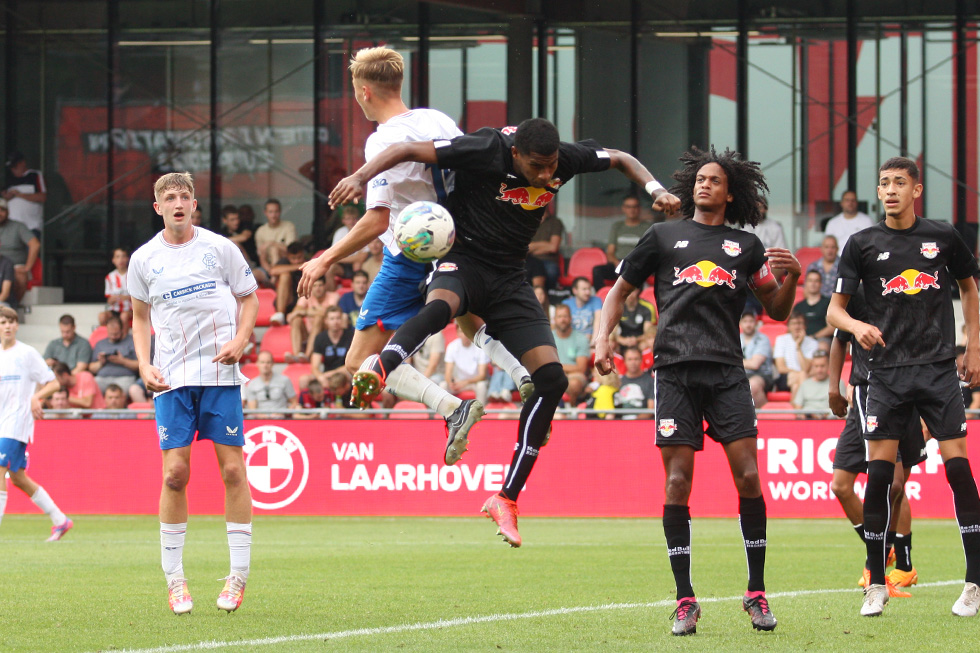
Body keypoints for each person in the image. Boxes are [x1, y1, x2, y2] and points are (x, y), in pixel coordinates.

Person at [328, 114, 681, 547]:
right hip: (464, 260)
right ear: (515, 154)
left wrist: (656, 190)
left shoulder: (562, 159)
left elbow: (621, 158)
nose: (547, 174)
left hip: (511, 277)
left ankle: (506, 498)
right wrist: (360, 176)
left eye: (551, 165)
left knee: (552, 380)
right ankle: (381, 367)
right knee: (443, 307)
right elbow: (405, 150)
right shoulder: (486, 148)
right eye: (537, 166)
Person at [595, 145, 802, 635]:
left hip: (728, 373)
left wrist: (791, 276)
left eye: (714, 180)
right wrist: (602, 338)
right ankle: (685, 599)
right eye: (700, 179)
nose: (705, 185)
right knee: (676, 484)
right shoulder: (663, 236)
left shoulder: (745, 247)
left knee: (749, 478)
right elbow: (620, 291)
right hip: (674, 372)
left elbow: (777, 310)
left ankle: (756, 592)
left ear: (730, 193)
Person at [296, 46, 532, 466]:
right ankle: (524, 377)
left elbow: (375, 220)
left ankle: (452, 408)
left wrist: (324, 259)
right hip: (463, 240)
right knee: (467, 318)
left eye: (354, 92)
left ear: (364, 92)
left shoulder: (382, 141)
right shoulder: (435, 118)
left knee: (358, 362)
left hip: (412, 254)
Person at [826, 155, 980, 618]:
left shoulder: (943, 236)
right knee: (878, 479)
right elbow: (835, 312)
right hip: (885, 375)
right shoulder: (861, 243)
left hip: (936, 369)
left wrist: (972, 346)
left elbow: (970, 289)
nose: (889, 190)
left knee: (959, 472)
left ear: (916, 190)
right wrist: (857, 325)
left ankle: (974, 583)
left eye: (898, 182)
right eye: (883, 183)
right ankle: (877, 583)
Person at [129, 171, 259, 615]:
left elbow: (250, 298)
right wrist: (144, 363)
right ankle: (175, 581)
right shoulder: (144, 259)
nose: (178, 202)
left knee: (234, 473)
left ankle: (238, 577)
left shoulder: (219, 248)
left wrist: (241, 339)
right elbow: (140, 318)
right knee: (174, 474)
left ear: (193, 205)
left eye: (185, 195)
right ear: (158, 207)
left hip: (221, 375)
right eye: (170, 197)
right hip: (171, 378)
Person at [828, 286, 920, 599]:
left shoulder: (904, 293)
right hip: (864, 396)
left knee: (895, 485)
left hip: (902, 394)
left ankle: (882, 562)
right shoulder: (854, 298)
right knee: (841, 485)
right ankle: (880, 552)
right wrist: (834, 389)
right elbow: (839, 340)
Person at [0, 306, 73, 540]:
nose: (7, 326)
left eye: (11, 321)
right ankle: (60, 520)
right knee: (19, 478)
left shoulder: (27, 353)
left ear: (17, 325)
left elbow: (53, 383)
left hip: (17, 421)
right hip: (2, 422)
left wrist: (36, 397)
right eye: (3, 322)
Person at [592, 195, 649, 290]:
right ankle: (602, 297)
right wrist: (616, 263)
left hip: (636, 264)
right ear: (623, 208)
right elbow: (610, 252)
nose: (632, 210)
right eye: (628, 207)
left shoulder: (647, 227)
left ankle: (635, 301)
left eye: (635, 206)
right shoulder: (617, 226)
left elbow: (648, 251)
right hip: (618, 263)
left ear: (639, 209)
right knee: (597, 270)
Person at [89, 314, 143, 401]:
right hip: (102, 379)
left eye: (116, 334)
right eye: (111, 334)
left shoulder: (132, 341)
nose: (113, 336)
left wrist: (122, 361)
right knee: (91, 387)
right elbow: (91, 368)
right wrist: (101, 362)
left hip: (125, 378)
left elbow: (140, 364)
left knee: (118, 394)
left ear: (122, 330)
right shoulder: (100, 344)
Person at [0, 196, 40, 303]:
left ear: (8, 212)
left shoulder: (18, 226)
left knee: (21, 277)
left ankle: (13, 307)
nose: (0, 213)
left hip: (16, 266)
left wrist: (27, 267)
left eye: (2, 210)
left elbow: (35, 244)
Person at [286, 275, 333, 363]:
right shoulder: (306, 296)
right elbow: (292, 315)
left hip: (324, 335)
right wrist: (314, 311)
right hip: (308, 334)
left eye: (320, 285)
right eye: (314, 286)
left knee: (318, 318)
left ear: (325, 286)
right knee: (297, 320)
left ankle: (307, 355)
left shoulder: (333, 296)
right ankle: (296, 355)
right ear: (311, 287)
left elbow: (328, 314)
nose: (317, 288)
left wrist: (305, 312)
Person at [552, 303, 590, 405]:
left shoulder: (580, 338)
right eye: (559, 316)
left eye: (565, 316)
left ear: (570, 318)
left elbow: (581, 368)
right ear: (554, 319)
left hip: (574, 376)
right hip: (553, 374)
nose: (562, 320)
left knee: (574, 384)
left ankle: (572, 412)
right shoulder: (549, 338)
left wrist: (558, 366)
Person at [772, 311, 818, 395]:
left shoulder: (813, 343)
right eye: (793, 323)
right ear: (788, 326)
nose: (797, 327)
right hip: (786, 377)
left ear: (805, 326)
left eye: (800, 323)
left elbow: (805, 368)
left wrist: (798, 346)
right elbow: (781, 368)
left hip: (803, 377)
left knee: (796, 386)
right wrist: (799, 374)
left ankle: (796, 407)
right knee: (801, 376)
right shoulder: (781, 340)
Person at [3, 151, 46, 237]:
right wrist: (7, 197)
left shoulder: (34, 175)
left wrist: (20, 194)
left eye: (15, 166)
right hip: (12, 228)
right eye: (11, 168)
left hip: (30, 227)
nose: (13, 170)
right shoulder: (10, 180)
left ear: (23, 163)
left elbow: (42, 197)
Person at [244, 351, 298, 419]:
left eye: (268, 362)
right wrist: (261, 416)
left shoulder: (284, 380)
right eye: (262, 362)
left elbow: (294, 402)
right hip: (259, 420)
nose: (265, 365)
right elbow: (252, 409)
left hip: (281, 419)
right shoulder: (252, 384)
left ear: (273, 364)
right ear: (257, 364)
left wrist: (284, 413)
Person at [268, 242, 308, 326]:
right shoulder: (284, 261)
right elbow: (273, 271)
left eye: (299, 257)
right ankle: (280, 315)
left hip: (303, 300)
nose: (296, 260)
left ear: (303, 255)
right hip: (287, 300)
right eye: (293, 258)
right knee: (285, 275)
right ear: (287, 256)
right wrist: (299, 266)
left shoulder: (309, 262)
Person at [739, 309, 774, 408]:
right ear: (740, 323)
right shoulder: (736, 338)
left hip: (762, 375)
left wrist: (734, 361)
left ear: (756, 323)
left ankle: (763, 416)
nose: (748, 325)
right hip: (740, 374)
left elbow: (755, 364)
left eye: (751, 321)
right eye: (745, 321)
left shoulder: (763, 339)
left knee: (752, 385)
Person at [254, 198, 297, 277]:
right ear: (265, 213)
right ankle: (273, 277)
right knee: (253, 275)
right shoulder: (260, 231)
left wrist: (271, 243)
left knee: (274, 250)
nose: (273, 215)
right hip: (266, 267)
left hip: (285, 265)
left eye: (276, 212)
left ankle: (274, 278)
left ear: (280, 212)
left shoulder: (288, 226)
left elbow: (291, 251)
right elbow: (261, 256)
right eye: (270, 212)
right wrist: (270, 271)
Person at [443, 331, 489, 404]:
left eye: (466, 331)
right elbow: (448, 373)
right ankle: (445, 413)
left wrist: (466, 382)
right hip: (458, 381)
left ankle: (480, 413)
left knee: (482, 386)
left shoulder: (480, 347)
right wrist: (451, 383)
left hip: (475, 382)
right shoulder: (452, 346)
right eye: (461, 331)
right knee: (443, 385)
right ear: (457, 333)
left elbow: (482, 375)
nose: (465, 335)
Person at [526, 210, 564, 290]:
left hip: (546, 261)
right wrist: (545, 245)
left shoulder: (555, 222)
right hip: (528, 259)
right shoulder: (527, 221)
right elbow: (524, 246)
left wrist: (532, 247)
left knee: (551, 271)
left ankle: (547, 296)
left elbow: (553, 247)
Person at [793, 270, 834, 343]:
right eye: (810, 280)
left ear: (821, 284)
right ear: (805, 283)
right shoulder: (799, 306)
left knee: (822, 346)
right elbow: (792, 327)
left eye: (816, 281)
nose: (813, 284)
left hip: (821, 340)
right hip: (801, 340)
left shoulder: (828, 303)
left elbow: (832, 328)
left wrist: (814, 337)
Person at [790, 349, 834, 417]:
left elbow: (843, 408)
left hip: (829, 420)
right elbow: (798, 407)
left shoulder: (837, 383)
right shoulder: (805, 384)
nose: (819, 370)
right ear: (812, 367)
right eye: (816, 366)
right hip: (807, 420)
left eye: (822, 366)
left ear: (828, 365)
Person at [614, 346, 655, 419]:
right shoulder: (618, 382)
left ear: (641, 360)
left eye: (636, 359)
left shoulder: (651, 381)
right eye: (630, 359)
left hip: (642, 424)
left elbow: (651, 409)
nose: (633, 362)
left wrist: (633, 422)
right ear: (624, 361)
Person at [99, 247, 133, 330]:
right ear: (113, 260)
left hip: (129, 310)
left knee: (124, 316)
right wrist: (113, 299)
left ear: (128, 259)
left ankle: (124, 340)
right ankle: (106, 340)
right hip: (114, 309)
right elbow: (108, 300)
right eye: (117, 257)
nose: (120, 259)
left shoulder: (133, 275)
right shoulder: (109, 277)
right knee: (102, 316)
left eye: (123, 256)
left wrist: (127, 297)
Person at [614, 285, 656, 352]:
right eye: (627, 291)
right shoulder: (616, 307)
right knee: (611, 344)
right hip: (622, 340)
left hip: (640, 340)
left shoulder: (647, 307)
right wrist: (622, 340)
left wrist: (636, 340)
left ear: (637, 291)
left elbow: (648, 332)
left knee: (647, 343)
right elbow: (613, 332)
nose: (630, 294)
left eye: (632, 291)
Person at [562, 276, 603, 342]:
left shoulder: (596, 301)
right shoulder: (566, 303)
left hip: (590, 340)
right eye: (584, 289)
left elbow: (598, 320)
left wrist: (594, 341)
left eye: (589, 289)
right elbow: (562, 325)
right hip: (571, 340)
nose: (588, 292)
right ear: (575, 290)